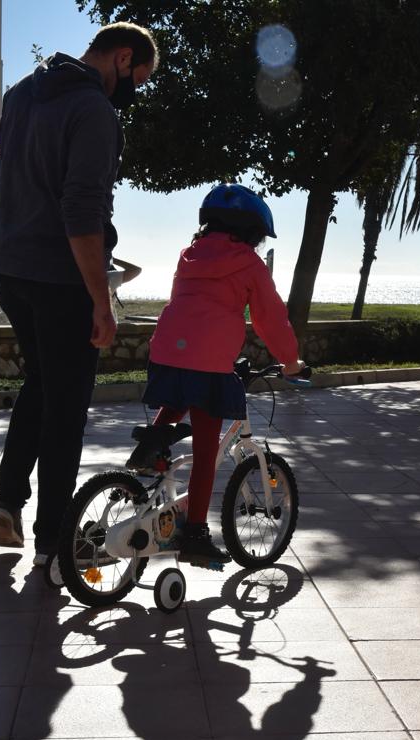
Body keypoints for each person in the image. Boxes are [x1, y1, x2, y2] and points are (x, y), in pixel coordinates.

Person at [0, 22, 159, 572]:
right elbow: (82, 212)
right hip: (62, 277)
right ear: (123, 56)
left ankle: (8, 499)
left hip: (10, 267)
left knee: (40, 380)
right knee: (66, 409)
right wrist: (100, 300)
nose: (133, 91)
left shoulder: (19, 96)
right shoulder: (94, 112)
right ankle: (55, 541)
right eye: (139, 79)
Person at [127, 184, 305, 565]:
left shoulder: (188, 255)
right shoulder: (250, 265)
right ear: (253, 230)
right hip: (209, 363)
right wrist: (290, 361)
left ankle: (150, 446)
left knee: (177, 399)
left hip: (166, 352)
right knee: (206, 455)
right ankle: (194, 535)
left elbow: (190, 307)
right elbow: (270, 319)